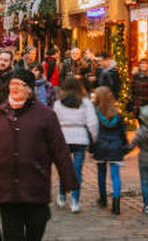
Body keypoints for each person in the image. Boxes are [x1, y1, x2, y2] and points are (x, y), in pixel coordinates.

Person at [0, 68, 79, 241]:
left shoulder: (46, 115)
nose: (14, 88)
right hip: (6, 189)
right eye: (12, 84)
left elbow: (59, 150)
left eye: (19, 85)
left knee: (35, 232)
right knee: (12, 235)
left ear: (30, 89)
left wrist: (68, 179)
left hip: (35, 186)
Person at [52, 77, 98, 214]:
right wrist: (94, 138)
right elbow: (93, 123)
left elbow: (53, 122)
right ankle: (75, 201)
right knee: (77, 170)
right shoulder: (85, 103)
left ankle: (61, 195)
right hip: (80, 137)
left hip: (63, 137)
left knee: (63, 168)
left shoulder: (59, 104)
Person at [92, 86, 129, 215]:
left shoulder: (96, 113)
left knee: (101, 174)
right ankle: (116, 204)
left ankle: (103, 198)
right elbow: (122, 133)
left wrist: (92, 147)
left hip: (101, 145)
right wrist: (125, 146)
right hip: (115, 146)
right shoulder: (118, 114)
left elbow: (94, 131)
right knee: (115, 176)